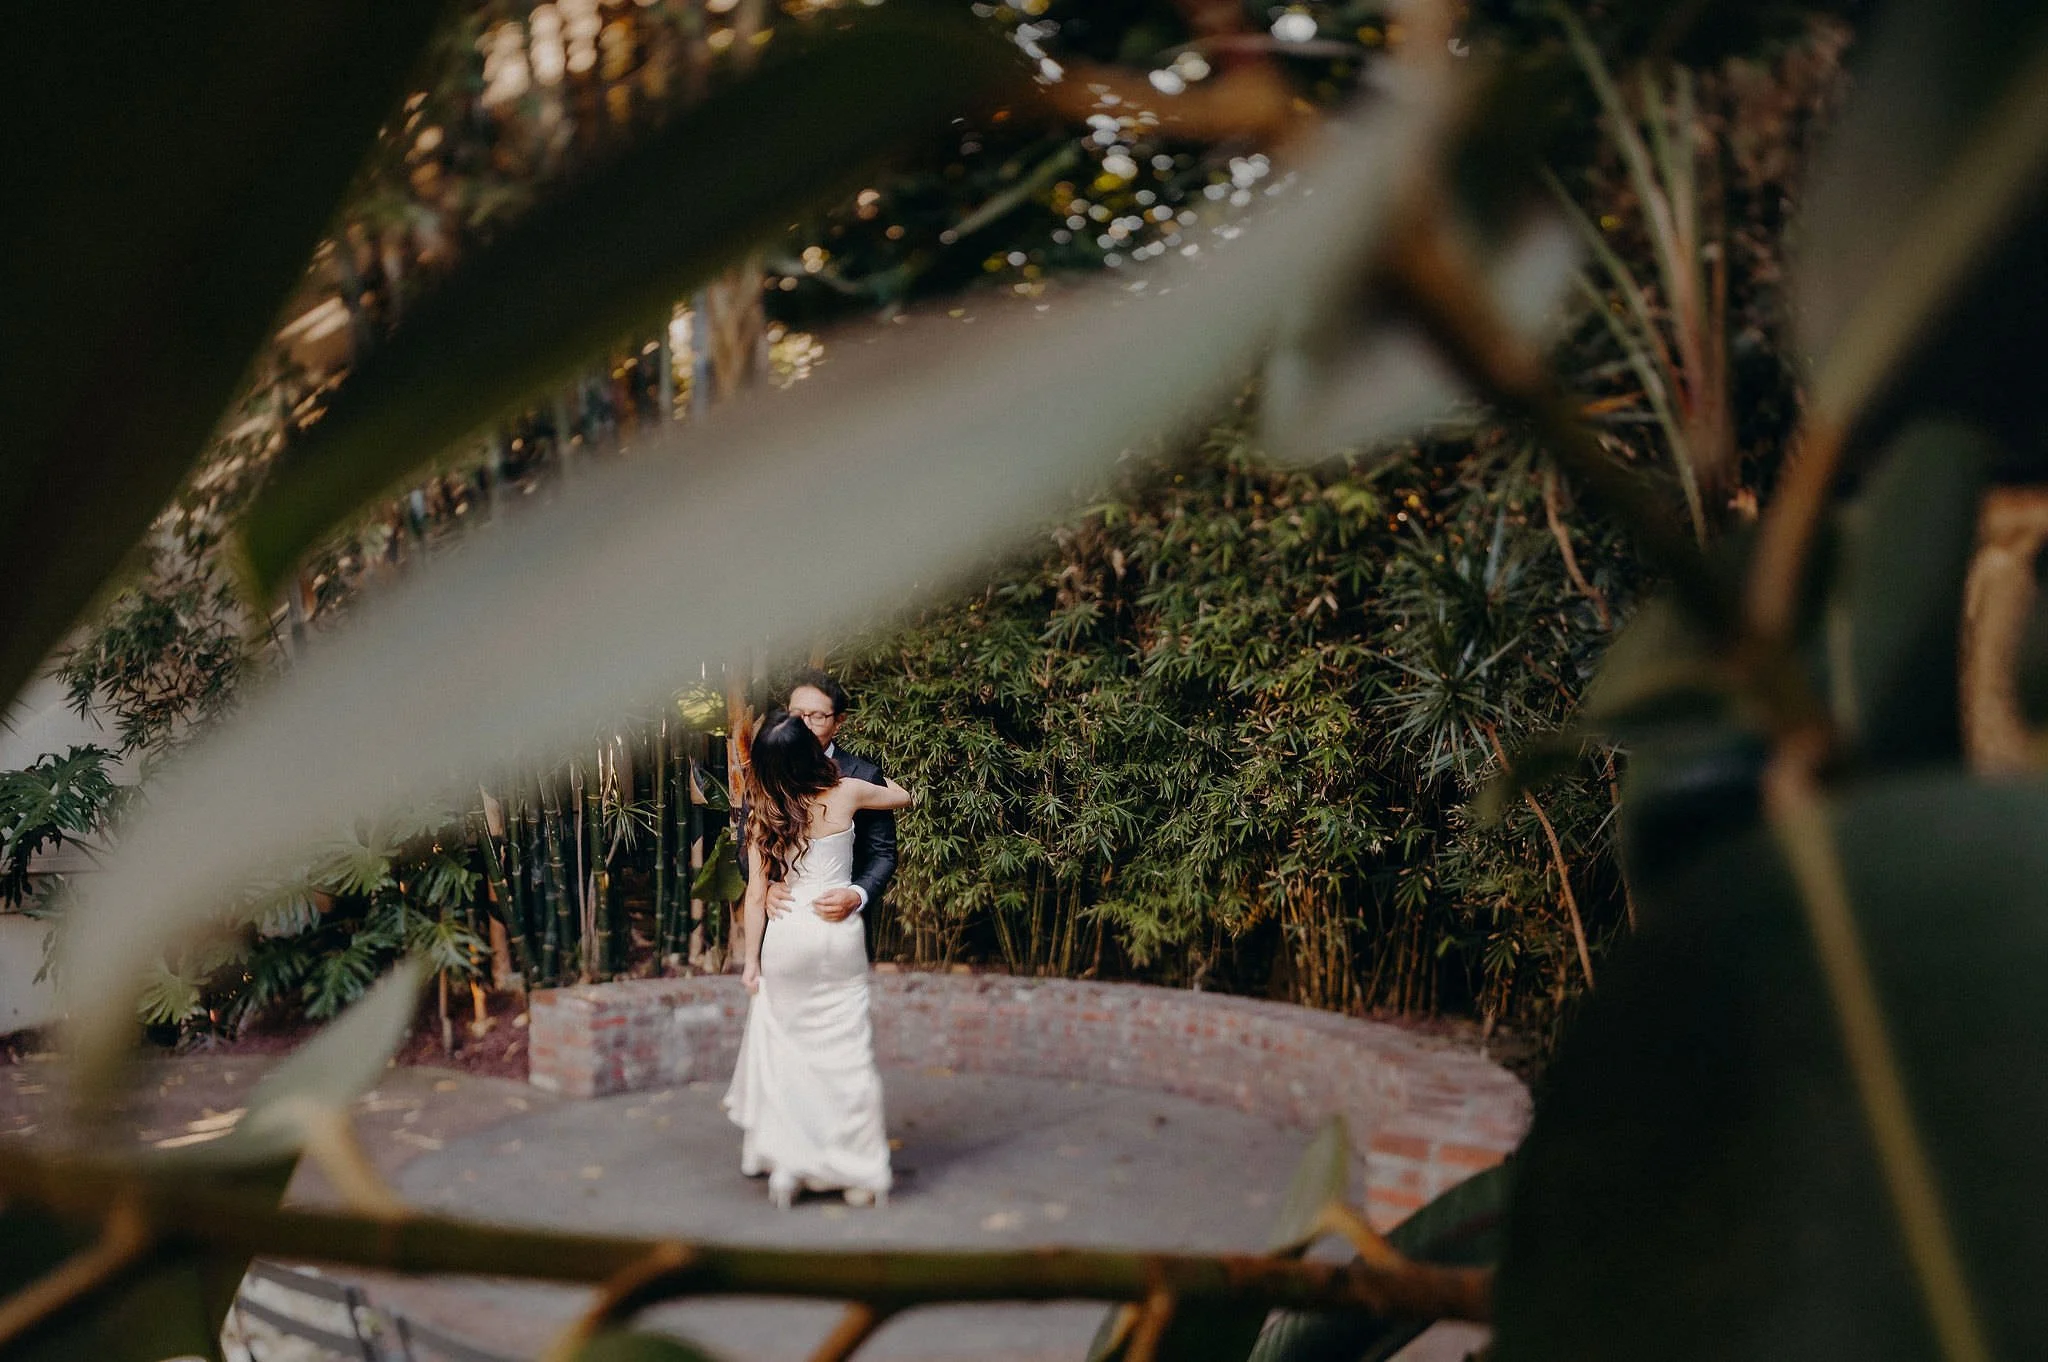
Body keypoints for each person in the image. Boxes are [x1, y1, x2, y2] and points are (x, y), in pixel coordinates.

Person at [722, 708, 914, 1209]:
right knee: (847, 1055)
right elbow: (902, 795)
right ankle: (860, 1172)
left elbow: (757, 896)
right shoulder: (848, 791)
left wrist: (750, 962)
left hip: (787, 938)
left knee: (792, 1058)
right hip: (836, 934)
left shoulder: (764, 810)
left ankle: (793, 1167)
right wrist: (843, 774)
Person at [764, 672, 897, 948]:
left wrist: (858, 894)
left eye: (817, 716)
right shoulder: (768, 769)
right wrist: (766, 886)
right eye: (796, 715)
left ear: (838, 721)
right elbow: (748, 843)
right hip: (784, 918)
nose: (804, 725)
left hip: (844, 924)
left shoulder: (863, 775)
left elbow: (883, 853)